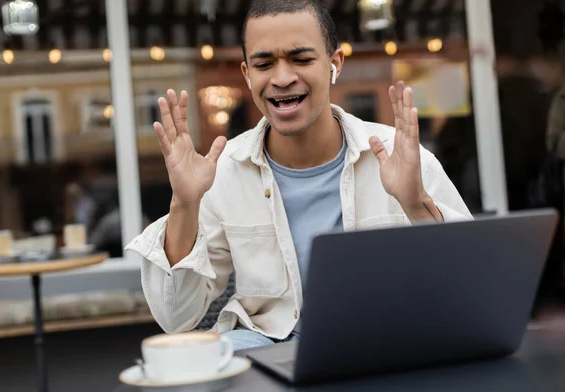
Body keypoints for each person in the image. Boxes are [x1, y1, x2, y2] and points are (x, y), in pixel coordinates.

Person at [125, 0, 472, 351]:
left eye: (301, 60)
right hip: (265, 348)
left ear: (334, 64)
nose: (282, 78)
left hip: (383, 344)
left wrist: (415, 204)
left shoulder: (399, 156)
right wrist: (185, 203)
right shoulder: (222, 171)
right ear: (247, 75)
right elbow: (175, 317)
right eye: (264, 64)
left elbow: (469, 286)